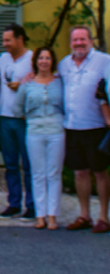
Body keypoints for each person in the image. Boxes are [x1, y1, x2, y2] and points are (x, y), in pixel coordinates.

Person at [59, 26, 110, 233]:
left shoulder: (104, 61)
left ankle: (103, 217)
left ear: (90, 40)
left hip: (96, 126)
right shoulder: (64, 64)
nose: (79, 43)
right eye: (75, 40)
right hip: (72, 126)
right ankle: (84, 215)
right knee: (80, 172)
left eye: (82, 39)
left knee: (99, 172)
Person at [14, 47, 65, 230]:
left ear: (52, 61)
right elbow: (17, 108)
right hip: (34, 131)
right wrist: (31, 119)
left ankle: (52, 215)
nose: (44, 61)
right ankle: (40, 215)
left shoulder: (60, 82)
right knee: (37, 174)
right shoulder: (27, 83)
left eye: (48, 58)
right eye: (41, 58)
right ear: (35, 61)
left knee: (53, 174)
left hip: (56, 130)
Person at [0, 23, 35, 220]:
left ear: (20, 39)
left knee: (28, 165)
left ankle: (32, 205)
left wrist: (24, 85)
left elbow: (45, 79)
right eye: (4, 40)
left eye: (8, 40)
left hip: (24, 119)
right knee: (10, 165)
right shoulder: (3, 59)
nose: (5, 44)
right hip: (5, 118)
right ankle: (13, 204)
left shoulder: (33, 58)